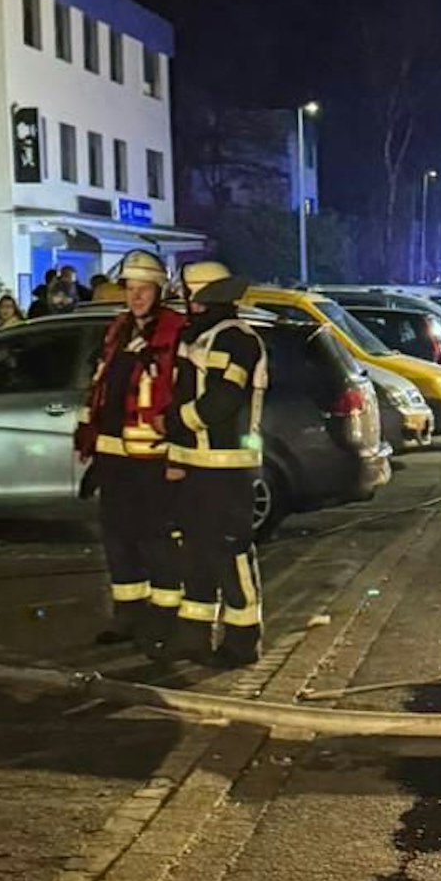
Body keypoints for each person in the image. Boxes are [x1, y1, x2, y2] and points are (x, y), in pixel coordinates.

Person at [74, 250, 186, 653]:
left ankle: (165, 617)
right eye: (130, 290)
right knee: (117, 536)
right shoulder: (118, 329)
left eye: (144, 290)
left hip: (153, 456)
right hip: (113, 454)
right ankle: (128, 614)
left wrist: (177, 457)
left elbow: (177, 394)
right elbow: (104, 390)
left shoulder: (175, 330)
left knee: (154, 537)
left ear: (160, 291)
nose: (136, 297)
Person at [163, 260, 267, 666]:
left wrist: (176, 422)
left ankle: (242, 642)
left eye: (190, 292)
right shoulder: (201, 336)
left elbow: (224, 398)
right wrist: (176, 452)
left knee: (230, 554)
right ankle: (193, 636)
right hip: (195, 465)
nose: (185, 300)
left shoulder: (236, 339)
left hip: (228, 469)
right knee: (195, 553)